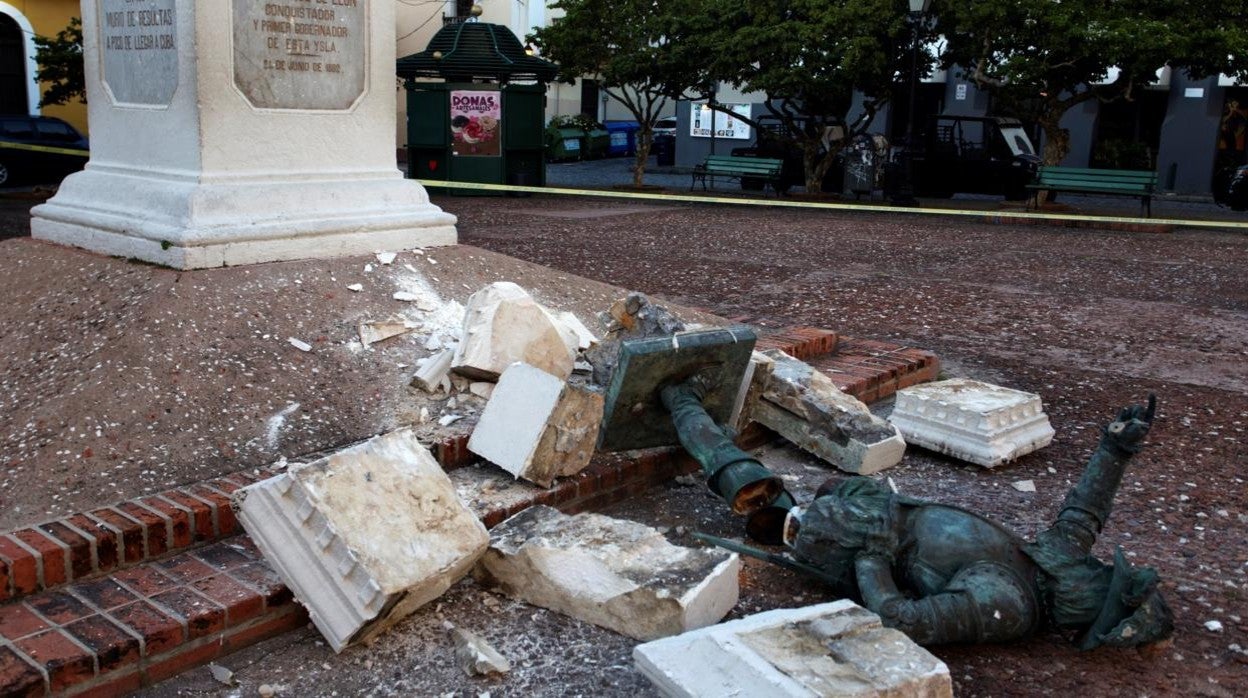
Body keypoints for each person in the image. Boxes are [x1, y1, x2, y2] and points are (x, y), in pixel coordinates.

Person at [784, 395, 1173, 648]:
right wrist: (1115, 449)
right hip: (888, 507)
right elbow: (1084, 513)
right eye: (1103, 570)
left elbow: (902, 620)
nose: (1095, 566)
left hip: (863, 538)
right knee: (833, 486)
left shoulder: (1006, 603)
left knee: (807, 514)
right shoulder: (1057, 564)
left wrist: (874, 554)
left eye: (1101, 579)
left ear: (1087, 604)